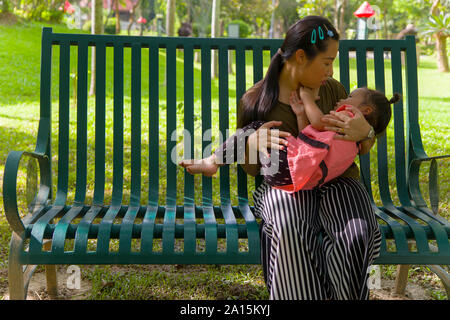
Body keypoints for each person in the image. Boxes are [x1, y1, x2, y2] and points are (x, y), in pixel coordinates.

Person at [194, 15, 383, 300]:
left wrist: (367, 133)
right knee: (289, 228)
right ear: (300, 56)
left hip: (339, 181)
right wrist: (252, 144)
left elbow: (357, 146)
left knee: (358, 233)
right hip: (289, 184)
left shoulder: (333, 91)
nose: (330, 72)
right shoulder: (256, 101)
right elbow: (252, 169)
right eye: (327, 62)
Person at [178, 86, 399, 194]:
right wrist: (301, 113)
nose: (344, 98)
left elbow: (320, 123)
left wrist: (306, 98)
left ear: (365, 110)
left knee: (256, 128)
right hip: (297, 181)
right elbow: (309, 139)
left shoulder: (349, 117)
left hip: (286, 170)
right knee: (262, 136)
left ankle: (213, 162)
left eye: (351, 96)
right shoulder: (354, 141)